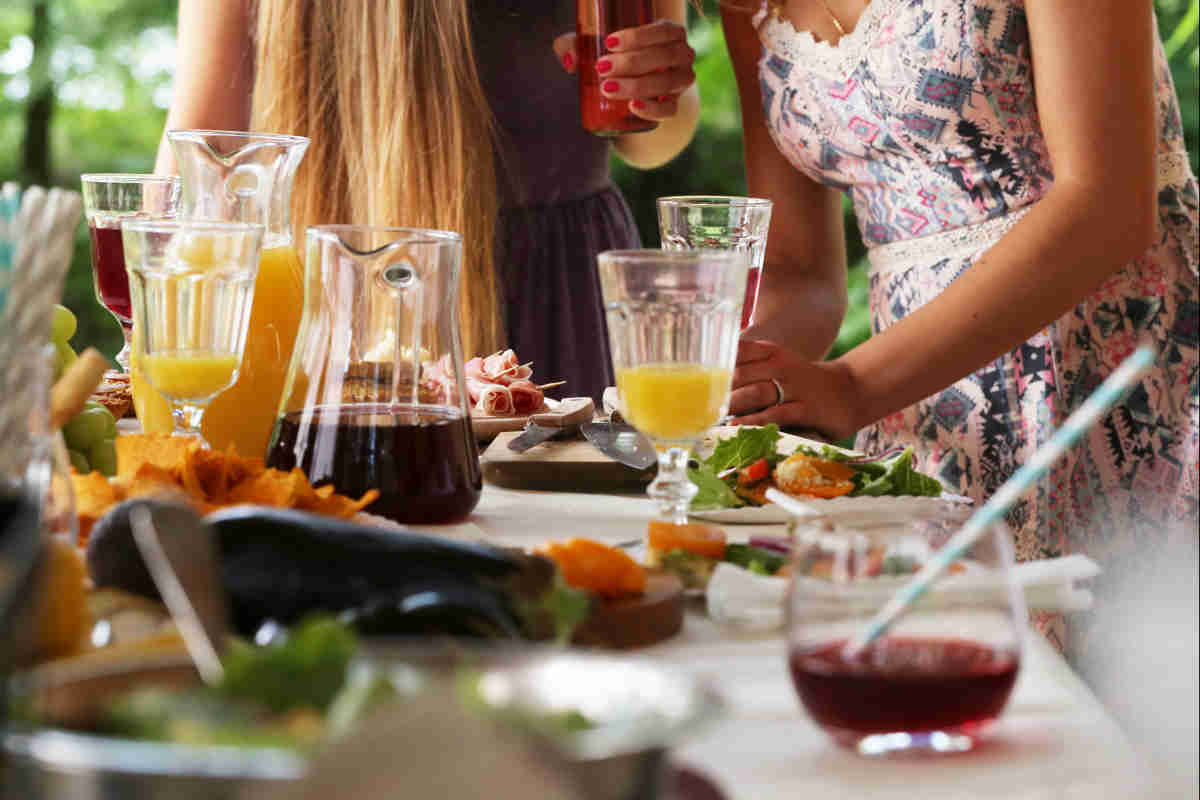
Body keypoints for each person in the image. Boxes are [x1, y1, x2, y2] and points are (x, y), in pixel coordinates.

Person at [720, 0, 1199, 654]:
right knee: (951, 707)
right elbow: (799, 270)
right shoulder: (749, 4)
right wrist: (744, 378)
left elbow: (1108, 205)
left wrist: (852, 387)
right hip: (929, 410)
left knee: (1133, 708)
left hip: (1118, 382)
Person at [155, 1, 700, 402]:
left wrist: (651, 93)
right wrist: (162, 338)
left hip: (560, 285)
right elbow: (205, 157)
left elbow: (653, 139)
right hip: (335, 292)